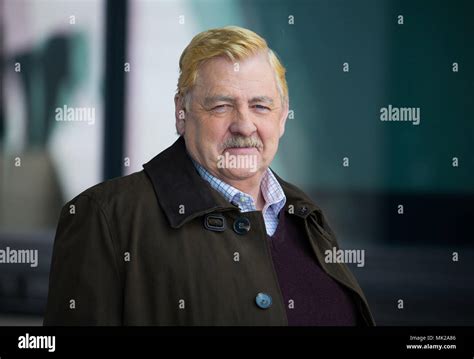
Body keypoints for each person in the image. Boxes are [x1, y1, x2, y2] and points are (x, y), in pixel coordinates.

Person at [44, 26, 374, 326]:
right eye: (221, 106)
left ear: (283, 117)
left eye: (260, 106)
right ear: (181, 113)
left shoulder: (307, 216)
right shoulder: (107, 218)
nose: (244, 125)